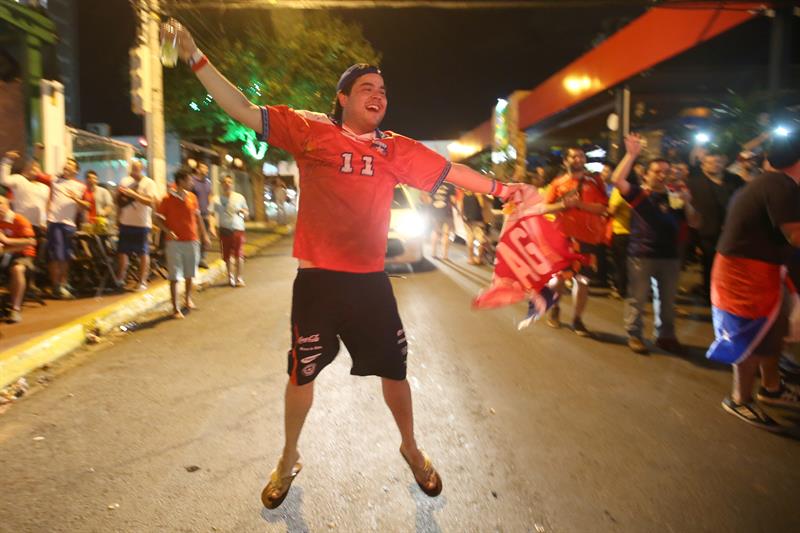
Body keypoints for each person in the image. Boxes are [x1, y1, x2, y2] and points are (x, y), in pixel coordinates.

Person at [169, 20, 528, 508]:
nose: (378, 95)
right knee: (301, 375)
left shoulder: (395, 149)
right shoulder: (310, 129)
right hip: (317, 282)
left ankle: (411, 448)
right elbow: (244, 110)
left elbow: (451, 172)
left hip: (369, 284)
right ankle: (287, 457)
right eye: (366, 88)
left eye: (383, 89)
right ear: (342, 97)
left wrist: (504, 189)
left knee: (395, 373)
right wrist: (195, 56)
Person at [706, 135, 800, 432]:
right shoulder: (779, 184)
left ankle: (771, 388)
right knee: (749, 337)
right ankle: (739, 399)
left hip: (764, 270)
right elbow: (796, 234)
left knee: (773, 331)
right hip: (743, 274)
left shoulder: (771, 183)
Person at [611, 135, 700, 354]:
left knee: (668, 301)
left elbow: (696, 222)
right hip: (642, 255)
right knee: (638, 299)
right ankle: (635, 334)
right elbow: (617, 180)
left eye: (665, 172)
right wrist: (631, 155)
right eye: (656, 171)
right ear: (646, 174)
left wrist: (688, 203)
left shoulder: (675, 196)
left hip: (669, 256)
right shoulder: (640, 194)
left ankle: (666, 336)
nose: (661, 175)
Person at [539, 147, 608, 336]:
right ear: (565, 161)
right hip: (563, 238)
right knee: (559, 279)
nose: (578, 159)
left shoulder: (595, 182)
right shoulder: (557, 184)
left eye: (581, 156)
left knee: (583, 280)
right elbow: (544, 208)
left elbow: (603, 208)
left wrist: (579, 205)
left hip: (587, 239)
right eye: (573, 156)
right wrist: (563, 205)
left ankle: (578, 319)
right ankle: (554, 307)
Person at [687, 151, 744, 300]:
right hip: (706, 232)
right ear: (703, 164)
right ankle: (710, 295)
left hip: (733, 231)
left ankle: (730, 293)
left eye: (718, 162)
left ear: (724, 163)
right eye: (711, 162)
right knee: (710, 264)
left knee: (733, 265)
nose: (715, 165)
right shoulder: (693, 183)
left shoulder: (735, 180)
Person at [155, 167, 211, 319]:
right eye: (189, 179)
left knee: (189, 274)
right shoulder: (166, 199)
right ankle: (175, 308)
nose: (192, 182)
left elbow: (198, 218)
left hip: (192, 240)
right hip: (174, 243)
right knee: (174, 276)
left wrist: (204, 236)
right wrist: (168, 231)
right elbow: (157, 219)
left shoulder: (192, 197)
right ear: (180, 181)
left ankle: (187, 299)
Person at [46, 157, 88, 299]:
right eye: (66, 164)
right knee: (55, 256)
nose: (66, 166)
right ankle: (55, 286)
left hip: (69, 224)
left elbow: (87, 206)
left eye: (70, 165)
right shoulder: (54, 180)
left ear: (76, 170)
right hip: (54, 222)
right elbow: (37, 174)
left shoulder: (80, 186)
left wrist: (76, 199)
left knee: (65, 256)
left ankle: (63, 283)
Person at [115, 161, 157, 291]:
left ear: (142, 168)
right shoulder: (124, 181)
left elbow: (150, 202)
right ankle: (121, 278)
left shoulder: (149, 183)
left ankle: (142, 281)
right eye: (132, 168)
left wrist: (134, 194)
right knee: (122, 251)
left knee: (142, 253)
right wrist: (118, 217)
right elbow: (118, 201)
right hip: (125, 222)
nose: (134, 170)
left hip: (142, 224)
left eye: (137, 168)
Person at [0, 151, 49, 247]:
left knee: (35, 254)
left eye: (36, 167)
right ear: (25, 169)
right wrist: (7, 160)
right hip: (19, 224)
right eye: (30, 166)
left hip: (37, 226)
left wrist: (43, 222)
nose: (33, 168)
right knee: (17, 251)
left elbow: (42, 207)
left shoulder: (45, 188)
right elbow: (3, 180)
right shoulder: (19, 180)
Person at [0, 196, 37, 323]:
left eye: (0, 203)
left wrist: (7, 241)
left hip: (23, 255)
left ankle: (15, 309)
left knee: (17, 269)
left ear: (7, 205)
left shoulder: (19, 219)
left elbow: (31, 242)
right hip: (5, 254)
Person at [212, 174, 249, 287]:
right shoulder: (216, 199)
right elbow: (211, 214)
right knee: (227, 256)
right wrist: (211, 227)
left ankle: (239, 278)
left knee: (239, 254)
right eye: (224, 182)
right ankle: (230, 277)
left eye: (229, 182)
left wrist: (242, 211)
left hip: (238, 229)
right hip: (224, 229)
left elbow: (247, 213)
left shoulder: (239, 197)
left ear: (232, 184)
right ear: (221, 185)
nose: (227, 184)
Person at [426, 181, 455, 260]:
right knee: (446, 234)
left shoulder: (432, 183)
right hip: (446, 213)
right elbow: (453, 200)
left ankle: (433, 253)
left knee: (435, 232)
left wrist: (430, 211)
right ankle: (445, 255)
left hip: (435, 213)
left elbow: (428, 200)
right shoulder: (450, 185)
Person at [191, 162, 213, 268]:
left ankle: (202, 258)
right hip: (195, 214)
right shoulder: (192, 181)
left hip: (205, 213)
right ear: (198, 169)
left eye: (207, 168)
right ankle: (195, 259)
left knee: (205, 237)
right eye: (203, 167)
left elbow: (210, 196)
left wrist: (210, 211)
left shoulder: (208, 182)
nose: (206, 170)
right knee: (196, 237)